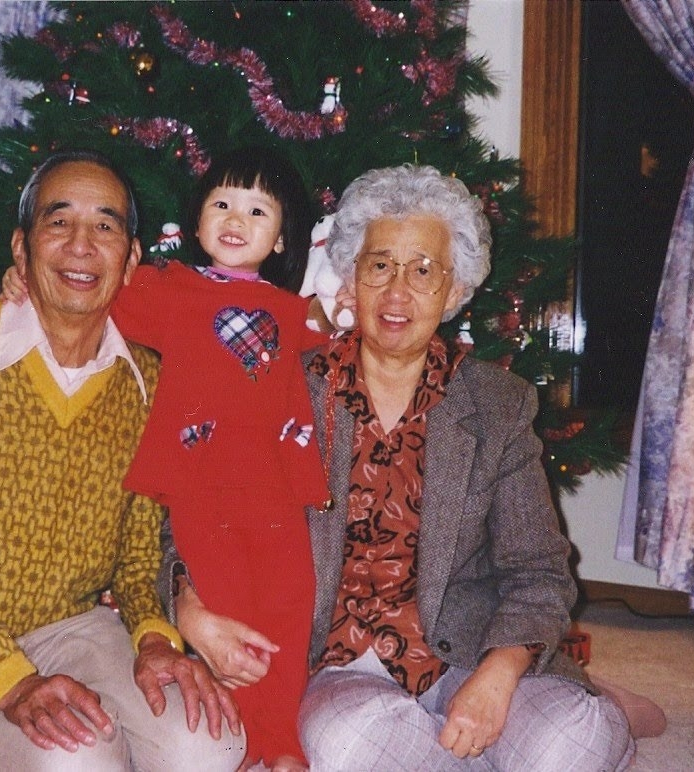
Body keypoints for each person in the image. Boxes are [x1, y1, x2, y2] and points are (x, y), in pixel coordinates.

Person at [168, 164, 638, 771]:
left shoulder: (495, 404)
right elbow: (192, 509)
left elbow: (540, 571)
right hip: (338, 668)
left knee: (576, 737)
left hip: (469, 653)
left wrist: (498, 676)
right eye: (380, 265)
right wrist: (189, 600)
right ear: (351, 277)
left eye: (424, 271)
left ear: (454, 290)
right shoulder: (280, 384)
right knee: (352, 746)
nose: (397, 293)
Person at [0, 149, 245, 771]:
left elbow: (135, 556)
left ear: (130, 261)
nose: (81, 243)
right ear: (22, 249)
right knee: (78, 759)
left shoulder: (146, 382)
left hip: (72, 630)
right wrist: (11, 681)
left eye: (105, 225)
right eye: (58, 220)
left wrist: (154, 639)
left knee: (212, 744)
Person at [3, 146, 330, 771]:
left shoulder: (294, 313)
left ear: (284, 236)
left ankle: (279, 737)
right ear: (199, 219)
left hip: (275, 489)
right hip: (200, 485)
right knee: (224, 608)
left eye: (257, 211)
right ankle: (244, 742)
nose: (236, 220)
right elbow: (88, 296)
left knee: (290, 602)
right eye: (222, 205)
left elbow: (350, 335)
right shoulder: (167, 287)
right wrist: (21, 280)